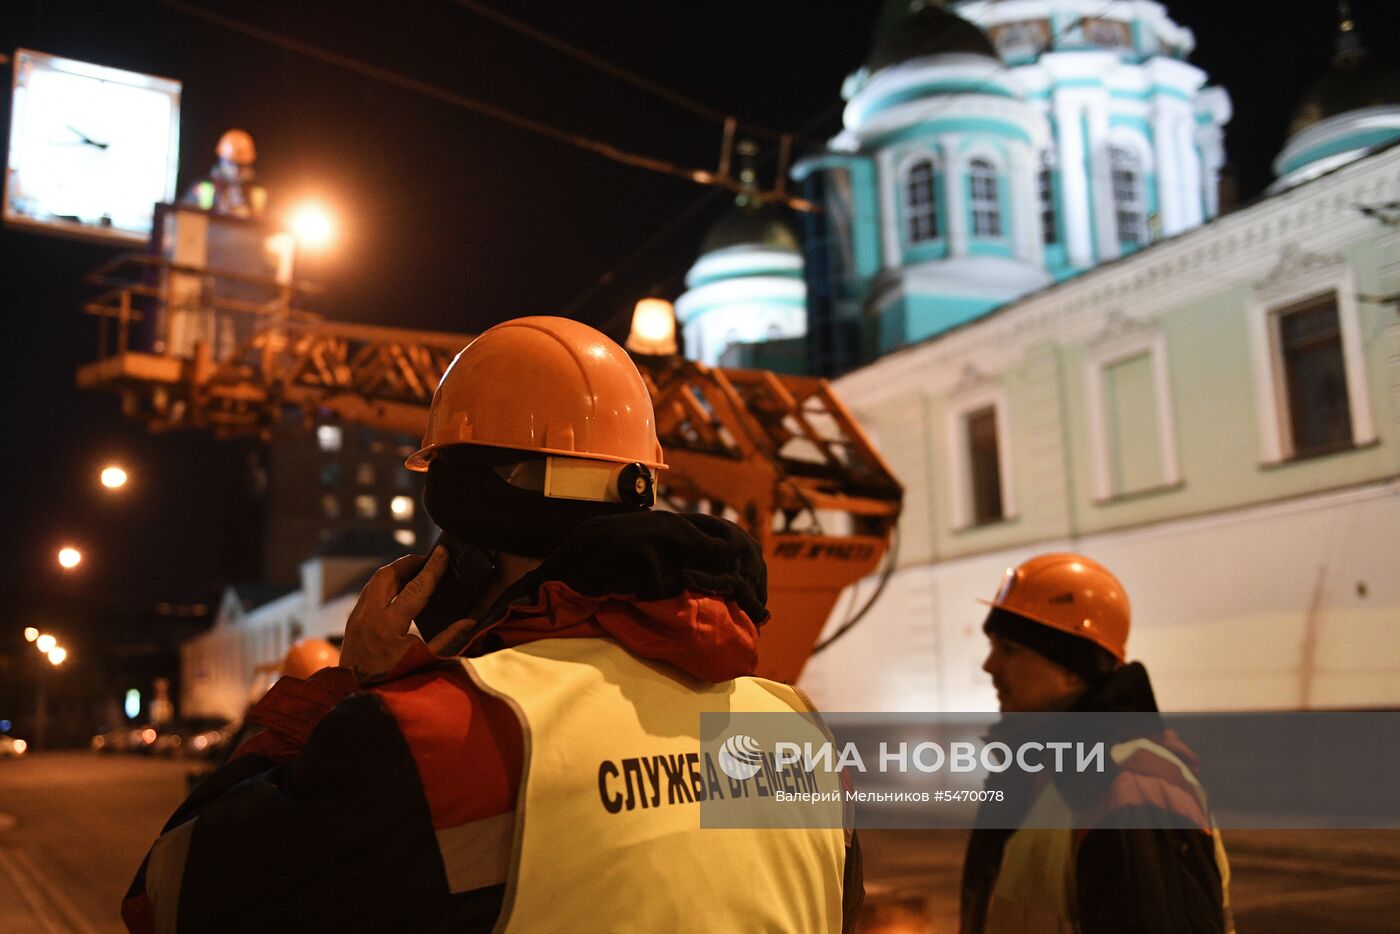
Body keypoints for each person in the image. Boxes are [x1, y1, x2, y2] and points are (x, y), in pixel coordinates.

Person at [123, 316, 860, 933]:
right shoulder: (794, 732)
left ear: (465, 529)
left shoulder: (433, 737)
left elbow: (170, 893)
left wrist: (347, 688)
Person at [960, 553, 1232, 934]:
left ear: (1073, 669)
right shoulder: (1039, 774)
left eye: (1009, 649)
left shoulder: (1133, 788)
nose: (989, 666)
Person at [181, 129, 267, 218]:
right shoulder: (205, 187)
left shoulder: (257, 192)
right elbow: (185, 216)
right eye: (231, 162)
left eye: (240, 165)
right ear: (221, 159)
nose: (235, 169)